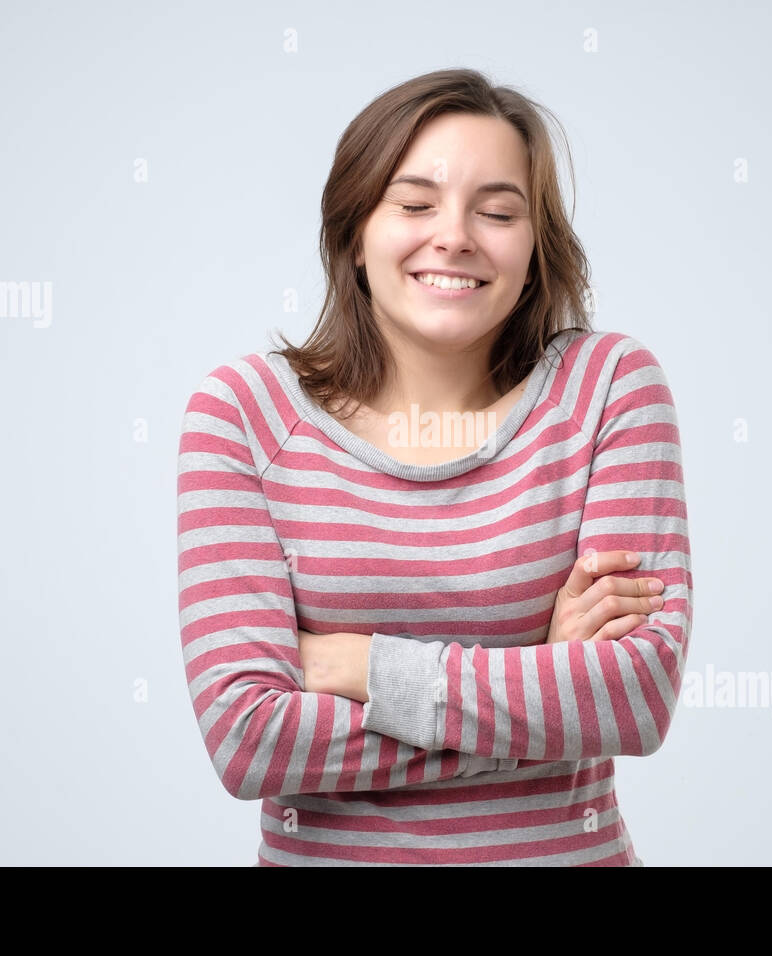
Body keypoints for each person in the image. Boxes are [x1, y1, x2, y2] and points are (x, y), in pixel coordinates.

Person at [175, 68, 694, 865]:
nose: (454, 236)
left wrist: (359, 665)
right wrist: (539, 688)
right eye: (415, 204)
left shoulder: (609, 389)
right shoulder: (244, 414)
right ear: (354, 232)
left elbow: (634, 698)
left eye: (496, 211)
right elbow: (250, 741)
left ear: (534, 246)